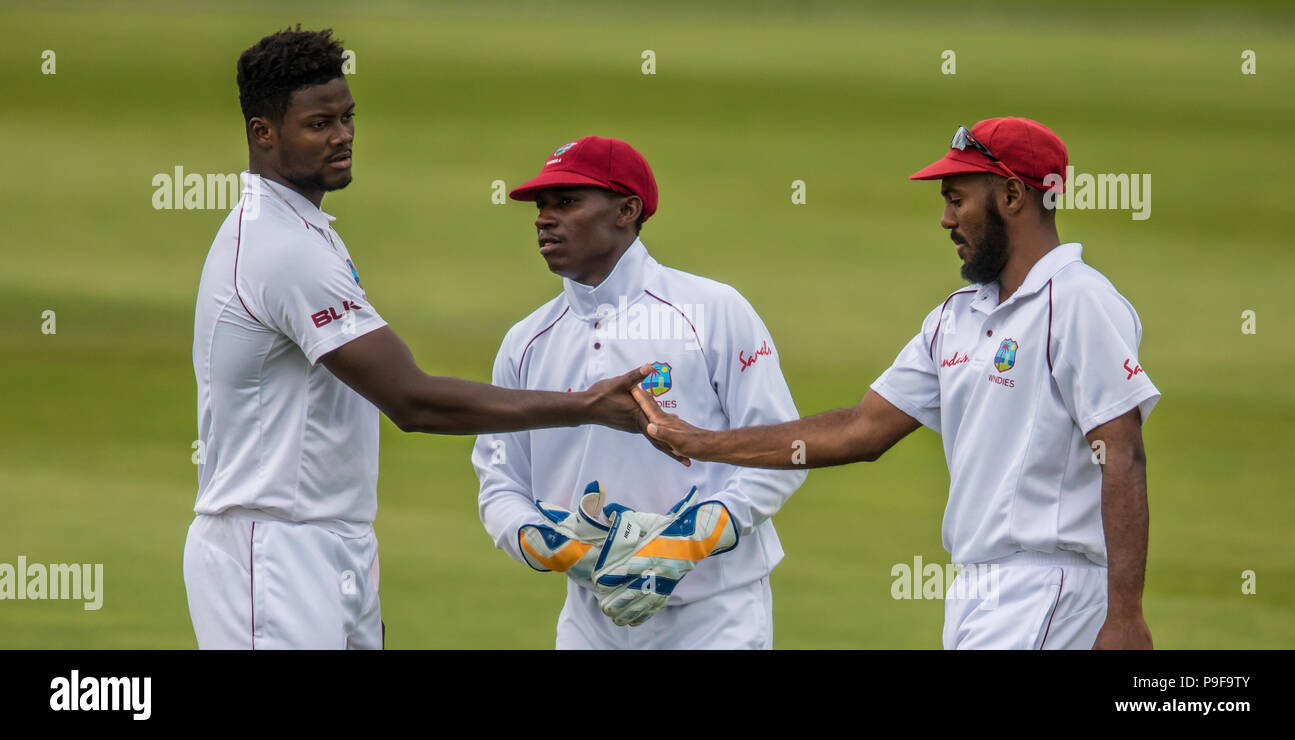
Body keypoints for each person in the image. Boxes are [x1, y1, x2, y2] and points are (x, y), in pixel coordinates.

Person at [185, 28, 658, 650]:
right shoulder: (279, 247)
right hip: (271, 549)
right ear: (263, 133)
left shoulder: (306, 229)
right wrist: (583, 406)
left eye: (347, 117)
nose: (342, 136)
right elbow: (413, 401)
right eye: (318, 123)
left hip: (329, 540)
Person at [633, 117, 1160, 650]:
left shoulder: (1077, 302)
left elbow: (1121, 453)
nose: (945, 219)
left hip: (1049, 586)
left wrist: (1124, 617)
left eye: (957, 200)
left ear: (1013, 195)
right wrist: (704, 443)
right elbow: (860, 429)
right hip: (978, 589)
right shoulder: (956, 318)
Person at [473, 136, 807, 649]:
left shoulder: (712, 310)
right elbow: (499, 479)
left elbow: (782, 449)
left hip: (714, 612)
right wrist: (546, 545)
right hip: (591, 616)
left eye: (566, 202)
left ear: (627, 210)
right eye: (541, 206)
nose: (544, 219)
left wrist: (688, 542)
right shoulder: (526, 341)